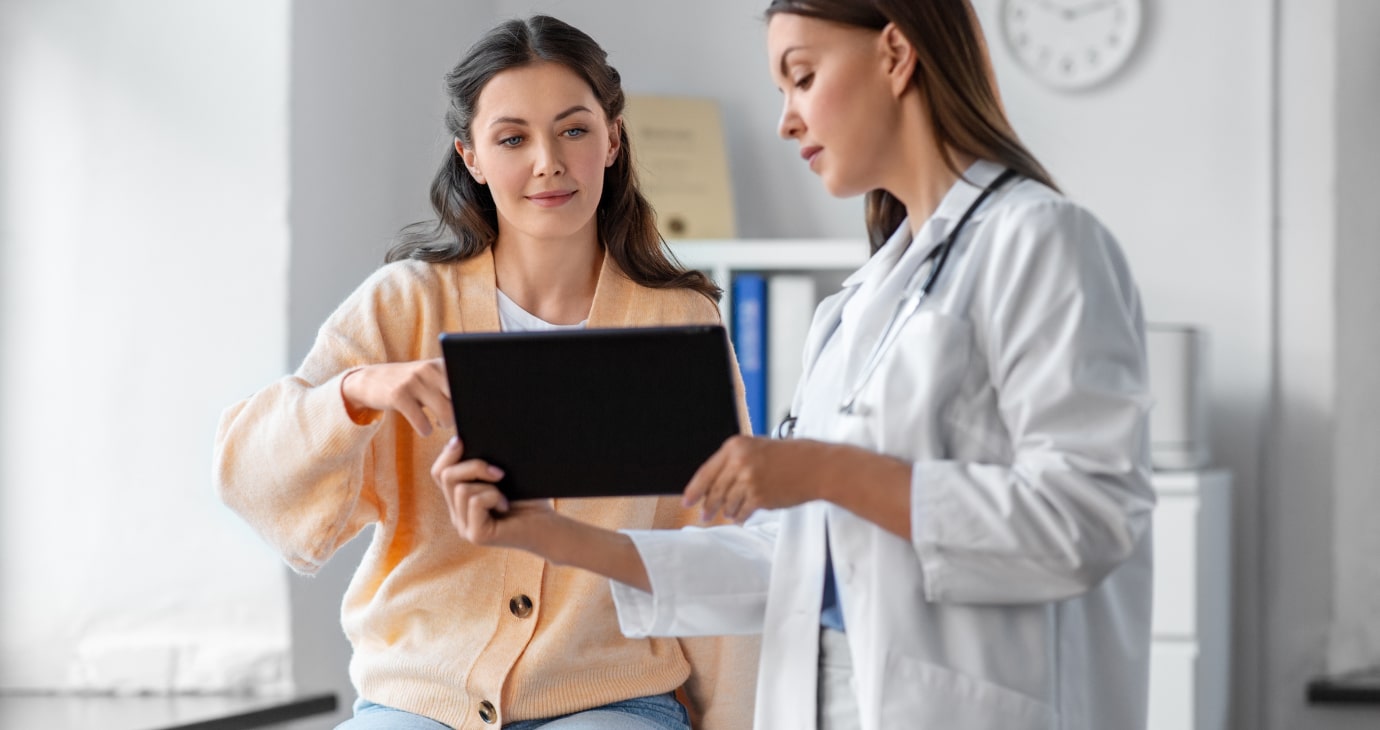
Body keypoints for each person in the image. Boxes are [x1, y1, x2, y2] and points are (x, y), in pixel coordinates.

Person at [430, 2, 1155, 729]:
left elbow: (1084, 521)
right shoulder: (855, 307)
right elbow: (788, 561)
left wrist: (823, 471)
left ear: (896, 54)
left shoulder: (1040, 242)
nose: (786, 120)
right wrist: (552, 537)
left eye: (801, 78)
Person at [214, 15, 759, 730]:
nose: (548, 162)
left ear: (614, 138)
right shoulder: (404, 303)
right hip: (418, 695)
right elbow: (251, 480)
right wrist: (356, 392)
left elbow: (717, 545)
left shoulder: (677, 320)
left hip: (611, 697)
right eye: (512, 138)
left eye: (574, 129)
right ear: (470, 155)